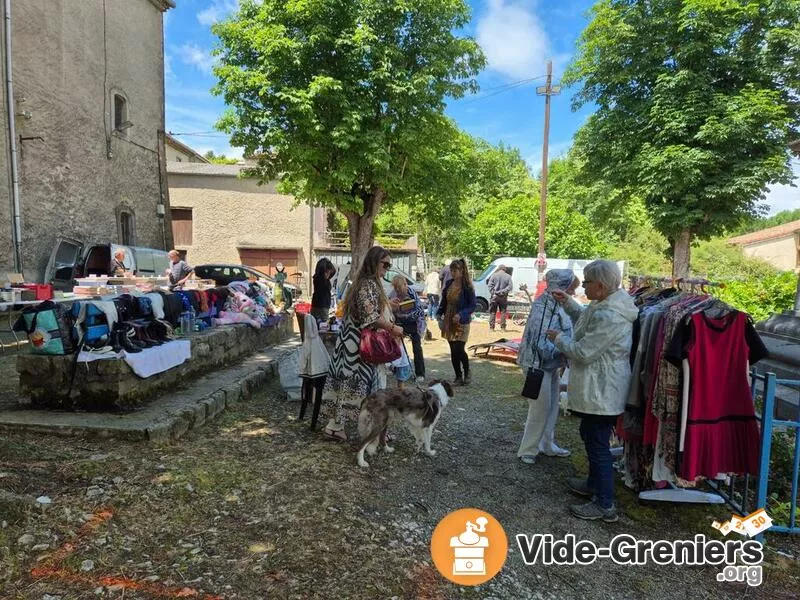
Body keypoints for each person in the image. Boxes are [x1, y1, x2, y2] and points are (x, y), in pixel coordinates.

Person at [545, 259, 637, 523]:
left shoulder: (611, 314)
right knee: (590, 434)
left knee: (597, 444)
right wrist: (569, 304)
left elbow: (584, 351)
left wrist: (559, 339)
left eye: (586, 282)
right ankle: (593, 485)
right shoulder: (604, 304)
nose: (582, 285)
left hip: (603, 389)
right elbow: (586, 320)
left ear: (600, 284)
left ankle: (605, 504)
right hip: (599, 388)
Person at [324, 246, 403, 441]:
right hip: (358, 347)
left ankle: (366, 429)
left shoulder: (368, 283)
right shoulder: (368, 284)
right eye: (384, 264)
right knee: (354, 386)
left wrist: (387, 305)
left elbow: (370, 309)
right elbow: (371, 317)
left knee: (355, 386)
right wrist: (394, 329)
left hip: (355, 344)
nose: (387, 268)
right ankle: (340, 427)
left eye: (389, 265)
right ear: (373, 263)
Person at [516, 269, 580, 464]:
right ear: (562, 287)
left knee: (552, 406)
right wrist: (565, 349)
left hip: (551, 364)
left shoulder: (558, 305)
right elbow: (539, 342)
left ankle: (546, 444)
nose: (574, 293)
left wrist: (562, 352)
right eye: (572, 289)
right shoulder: (543, 306)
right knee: (540, 408)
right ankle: (527, 450)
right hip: (536, 364)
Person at [437, 258, 476, 386]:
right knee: (453, 349)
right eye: (451, 270)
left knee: (460, 348)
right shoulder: (448, 283)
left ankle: (467, 371)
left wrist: (461, 314)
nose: (453, 273)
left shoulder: (467, 287)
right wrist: (439, 313)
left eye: (455, 270)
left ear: (462, 270)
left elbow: (472, 305)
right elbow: (444, 301)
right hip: (449, 319)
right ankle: (458, 376)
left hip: (462, 321)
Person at [389, 274, 425, 382]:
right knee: (396, 346)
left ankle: (420, 373)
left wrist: (407, 315)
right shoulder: (392, 294)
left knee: (417, 347)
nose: (399, 291)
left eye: (400, 288)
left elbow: (420, 311)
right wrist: (394, 310)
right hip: (398, 322)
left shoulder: (412, 293)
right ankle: (396, 368)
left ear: (405, 284)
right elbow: (388, 310)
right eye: (396, 288)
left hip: (413, 323)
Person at [487, 265, 513, 330]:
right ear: (505, 270)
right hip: (503, 297)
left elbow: (490, 286)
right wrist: (502, 292)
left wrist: (494, 293)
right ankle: (503, 328)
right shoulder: (508, 276)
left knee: (493, 312)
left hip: (494, 297)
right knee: (503, 312)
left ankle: (491, 328)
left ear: (498, 269)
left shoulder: (493, 275)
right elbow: (510, 287)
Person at [311, 258, 336, 323]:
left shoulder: (324, 279)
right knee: (322, 326)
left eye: (328, 272)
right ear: (322, 271)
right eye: (327, 272)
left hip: (322, 306)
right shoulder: (319, 279)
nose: (328, 274)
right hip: (321, 307)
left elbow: (333, 271)